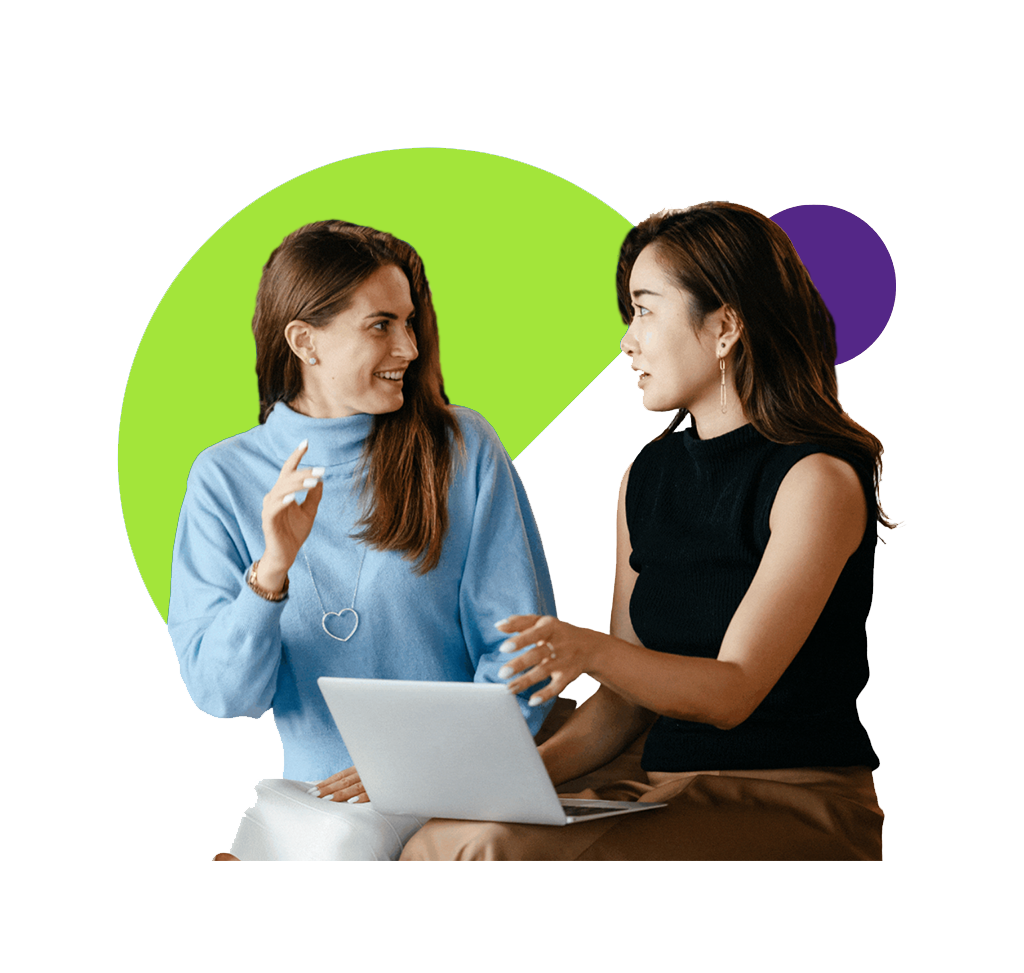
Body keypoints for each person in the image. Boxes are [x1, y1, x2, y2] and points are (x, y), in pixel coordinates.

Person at [400, 201, 895, 861]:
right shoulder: (648, 474)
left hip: (793, 796)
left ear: (725, 327)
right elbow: (623, 706)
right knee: (441, 836)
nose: (627, 341)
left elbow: (732, 692)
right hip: (666, 788)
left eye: (645, 310)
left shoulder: (815, 479)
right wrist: (493, 787)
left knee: (487, 851)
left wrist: (589, 650)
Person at [167, 220, 557, 860]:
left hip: (452, 799)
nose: (409, 347)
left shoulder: (461, 448)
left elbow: (525, 655)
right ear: (304, 341)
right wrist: (272, 571)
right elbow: (222, 694)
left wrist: (418, 771)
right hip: (313, 809)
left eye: (410, 323)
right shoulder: (223, 477)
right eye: (381, 325)